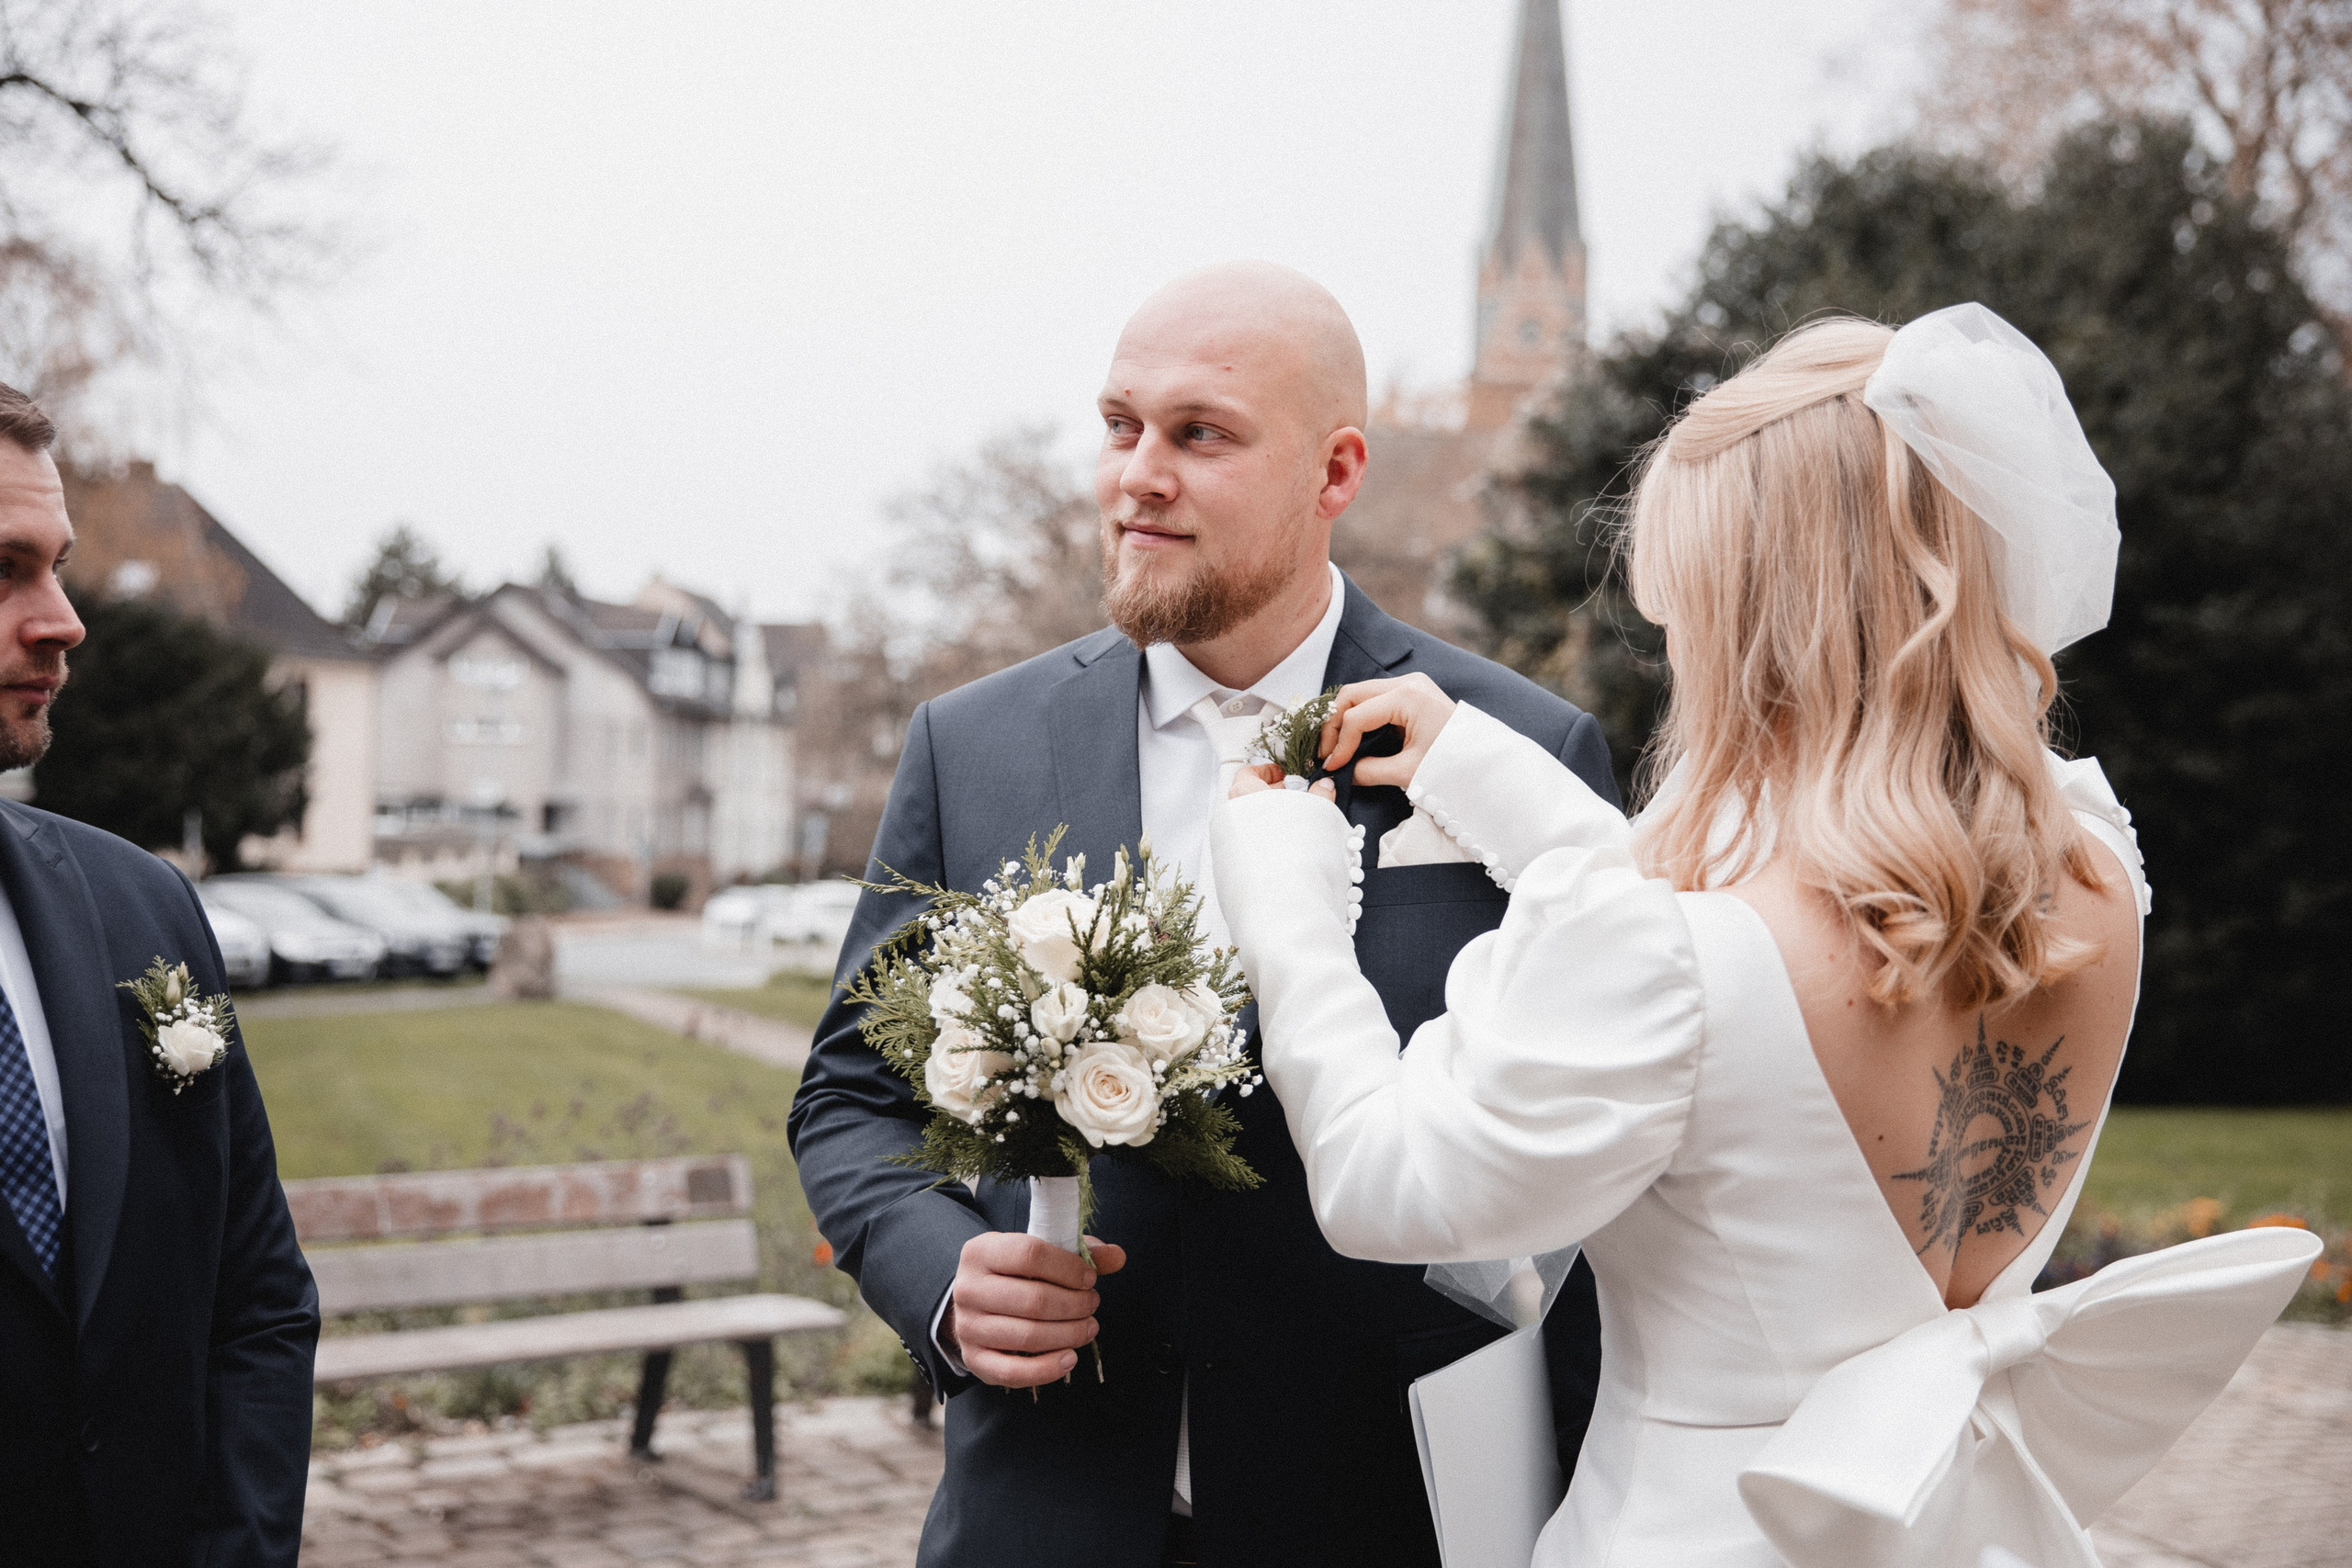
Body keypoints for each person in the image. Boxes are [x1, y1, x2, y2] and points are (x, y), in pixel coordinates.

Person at [1211, 306, 2319, 1566]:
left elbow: (1386, 1177)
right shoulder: (2089, 858)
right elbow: (1709, 934)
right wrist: (1474, 764)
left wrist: (1287, 896)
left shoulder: (1677, 960)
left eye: (1687, 615)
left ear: (1757, 624)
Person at [788, 261, 1616, 1567]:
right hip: (1048, 1506)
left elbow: (1601, 1158)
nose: (1139, 475)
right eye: (1121, 426)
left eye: (1201, 434)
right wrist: (946, 1273)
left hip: (1387, 1507)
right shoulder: (974, 745)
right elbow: (849, 1095)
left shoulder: (1518, 744)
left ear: (1336, 472)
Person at [0, 384, 319, 1566]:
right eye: (4, 571)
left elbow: (259, 1293)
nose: (65, 619)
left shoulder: (142, 907)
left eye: (58, 568)